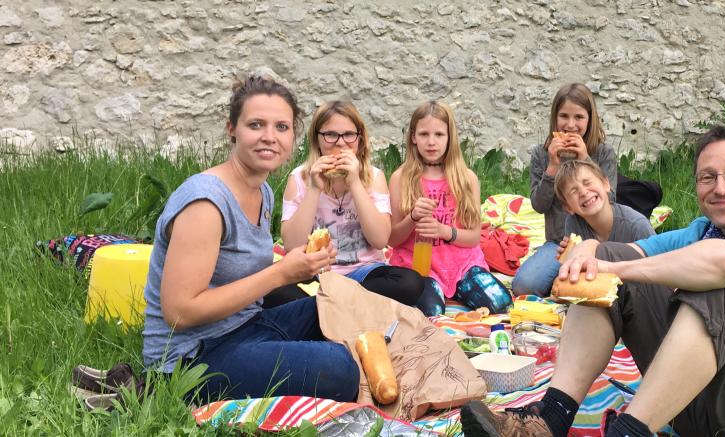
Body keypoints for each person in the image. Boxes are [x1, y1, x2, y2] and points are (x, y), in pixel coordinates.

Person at [460, 125, 725, 437]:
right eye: (708, 177)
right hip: (697, 410)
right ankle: (549, 420)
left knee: (717, 281)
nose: (721, 187)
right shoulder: (699, 231)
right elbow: (619, 253)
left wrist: (617, 269)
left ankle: (629, 432)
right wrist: (589, 249)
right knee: (609, 260)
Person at [141, 76, 359, 402]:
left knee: (350, 307)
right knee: (339, 368)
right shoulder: (206, 202)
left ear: (293, 136)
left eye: (281, 127)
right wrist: (281, 273)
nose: (269, 137)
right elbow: (180, 312)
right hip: (192, 359)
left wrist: (304, 264)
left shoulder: (263, 191)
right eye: (256, 125)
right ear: (232, 129)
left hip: (249, 326)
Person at [277, 100, 429, 313]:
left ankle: (327, 306)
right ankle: (345, 307)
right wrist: (314, 189)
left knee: (410, 283)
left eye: (349, 135)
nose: (341, 144)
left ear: (360, 139)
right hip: (315, 275)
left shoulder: (374, 177)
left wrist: (355, 183)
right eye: (330, 135)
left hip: (364, 274)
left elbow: (380, 240)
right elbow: (292, 246)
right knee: (274, 291)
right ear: (317, 139)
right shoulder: (299, 178)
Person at [387, 100, 511, 315]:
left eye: (439, 135)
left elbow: (473, 238)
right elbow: (392, 240)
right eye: (424, 134)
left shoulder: (466, 179)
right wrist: (412, 217)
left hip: (462, 266)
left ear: (450, 137)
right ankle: (438, 296)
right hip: (419, 268)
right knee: (431, 312)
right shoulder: (401, 178)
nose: (431, 142)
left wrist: (444, 231)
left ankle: (457, 292)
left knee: (501, 303)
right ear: (413, 137)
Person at [512, 83, 619, 297]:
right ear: (555, 118)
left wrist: (585, 159)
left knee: (611, 286)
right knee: (523, 285)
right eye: (564, 116)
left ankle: (566, 281)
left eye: (578, 117)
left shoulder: (603, 153)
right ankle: (562, 278)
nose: (570, 125)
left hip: (599, 242)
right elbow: (539, 205)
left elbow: (611, 200)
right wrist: (552, 167)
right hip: (559, 244)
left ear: (590, 119)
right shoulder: (541, 154)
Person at [553, 159, 653, 268]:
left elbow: (657, 268)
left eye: (587, 183)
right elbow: (579, 269)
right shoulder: (573, 223)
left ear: (606, 184)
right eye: (574, 191)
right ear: (568, 207)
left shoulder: (637, 226)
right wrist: (568, 258)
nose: (583, 192)